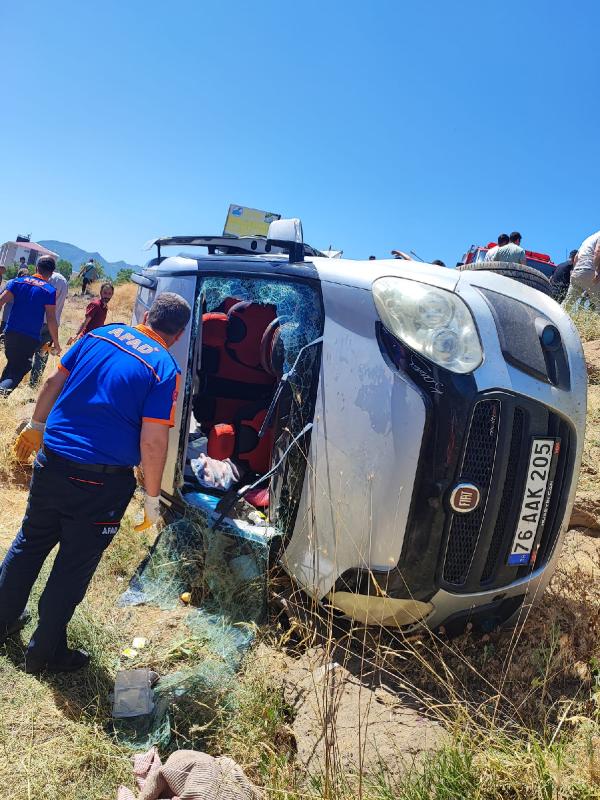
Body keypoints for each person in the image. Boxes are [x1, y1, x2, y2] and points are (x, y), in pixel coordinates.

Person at [0, 292, 191, 674]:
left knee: (30, 542)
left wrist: (36, 426)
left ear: (148, 314)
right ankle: (45, 653)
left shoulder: (100, 335)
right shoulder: (163, 367)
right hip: (99, 484)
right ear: (180, 333)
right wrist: (152, 498)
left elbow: (53, 381)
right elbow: (153, 441)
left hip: (51, 462)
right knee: (72, 566)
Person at [0, 256, 60, 395]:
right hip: (29, 338)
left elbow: (1, 301)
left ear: (36, 268)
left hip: (10, 333)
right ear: (51, 273)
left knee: (12, 365)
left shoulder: (17, 282)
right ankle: (2, 393)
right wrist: (56, 343)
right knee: (21, 368)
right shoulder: (49, 291)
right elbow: (51, 319)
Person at [29, 268, 69, 388]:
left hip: (37, 320)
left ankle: (18, 375)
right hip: (52, 324)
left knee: (28, 348)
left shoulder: (42, 278)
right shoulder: (64, 281)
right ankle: (34, 383)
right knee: (42, 354)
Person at [564, 230, 600, 309]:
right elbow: (598, 251)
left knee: (567, 305)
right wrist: (597, 271)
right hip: (590, 271)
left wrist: (574, 270)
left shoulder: (588, 239)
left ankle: (557, 319)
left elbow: (576, 256)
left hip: (577, 272)